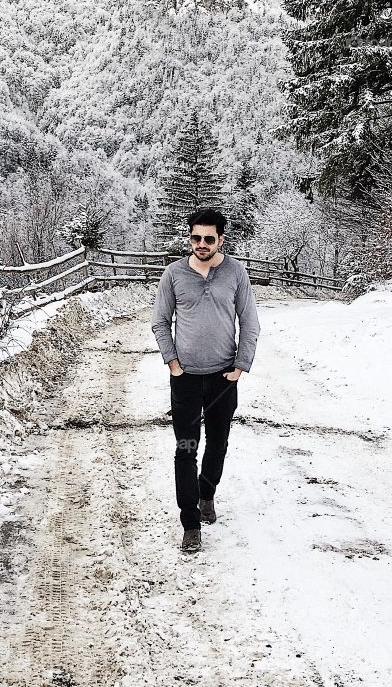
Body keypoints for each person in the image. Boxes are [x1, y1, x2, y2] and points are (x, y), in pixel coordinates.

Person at [151, 206, 260, 553]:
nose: (201, 244)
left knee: (218, 443)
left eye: (208, 239)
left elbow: (251, 323)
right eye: (196, 237)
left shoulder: (235, 273)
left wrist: (240, 366)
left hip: (222, 379)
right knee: (186, 449)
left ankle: (207, 494)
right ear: (190, 238)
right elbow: (160, 322)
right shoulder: (174, 274)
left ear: (220, 239)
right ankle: (190, 524)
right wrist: (173, 364)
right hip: (184, 381)